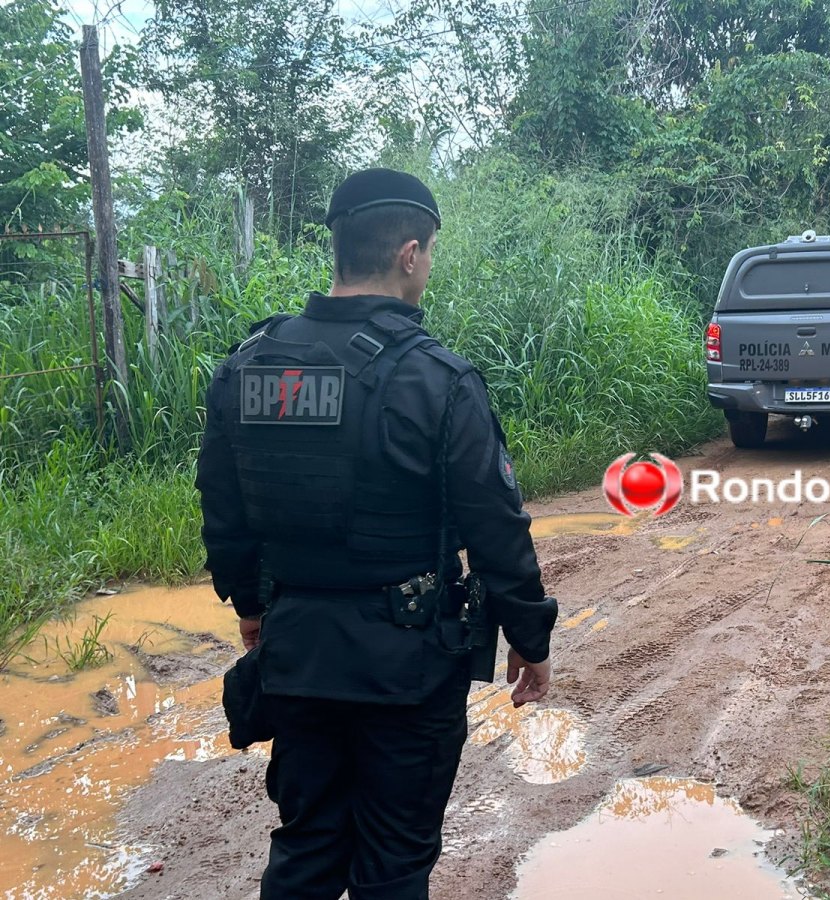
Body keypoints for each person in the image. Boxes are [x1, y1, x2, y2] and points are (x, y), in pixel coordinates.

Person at [195, 168, 558, 899]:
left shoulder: (248, 365)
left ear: (339, 250)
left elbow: (223, 508)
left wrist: (252, 611)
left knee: (305, 848)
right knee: (393, 864)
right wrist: (531, 637)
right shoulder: (438, 380)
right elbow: (496, 528)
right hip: (407, 669)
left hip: (296, 656)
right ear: (410, 254)